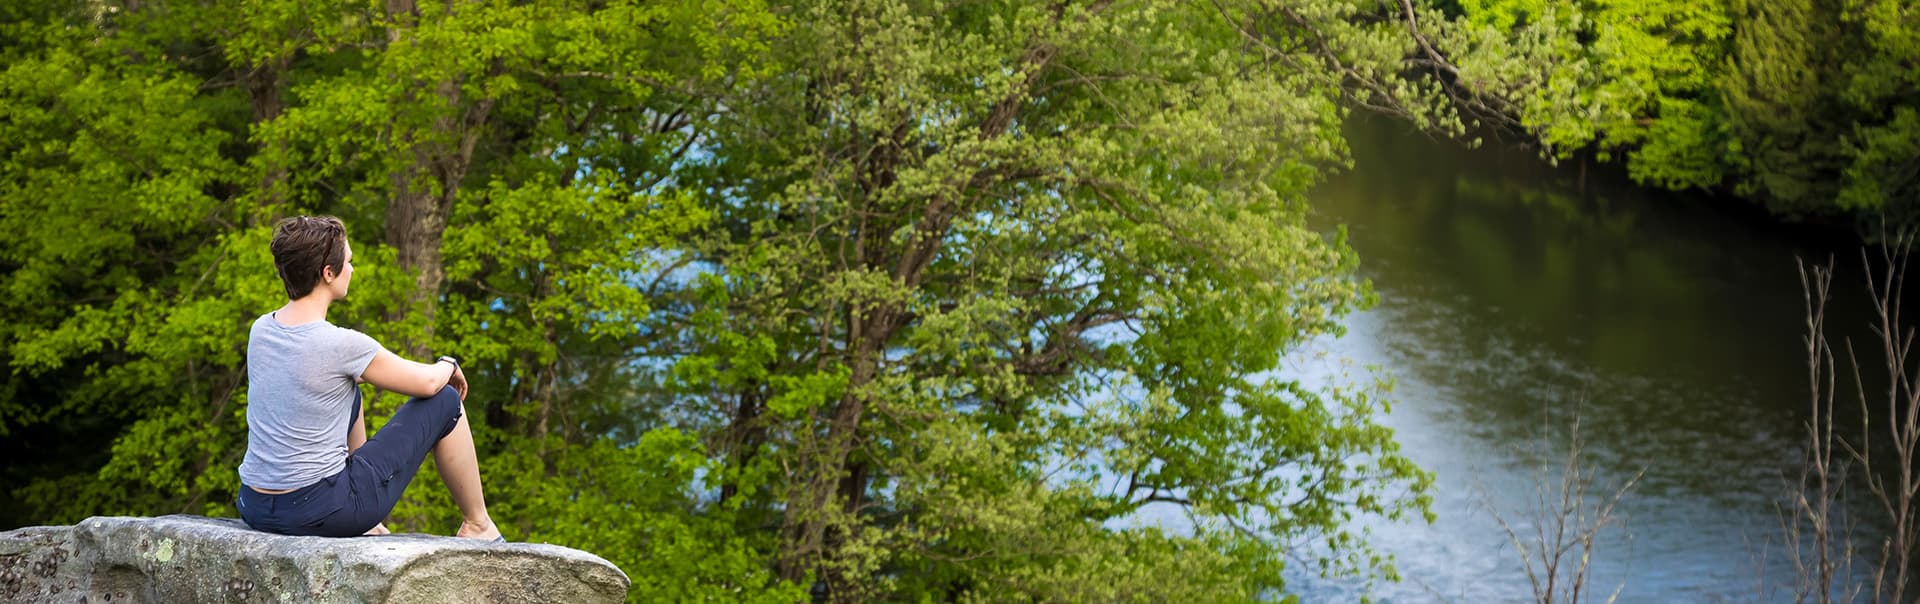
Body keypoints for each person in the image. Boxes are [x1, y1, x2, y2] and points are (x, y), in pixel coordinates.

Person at [236, 215, 501, 541]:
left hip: (255, 505)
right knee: (445, 400)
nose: (353, 269)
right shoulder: (342, 345)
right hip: (320, 514)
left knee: (349, 394)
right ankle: (478, 525)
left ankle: (367, 517)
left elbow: (310, 377)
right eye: (348, 262)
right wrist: (449, 363)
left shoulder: (262, 329)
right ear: (328, 274)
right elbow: (430, 384)